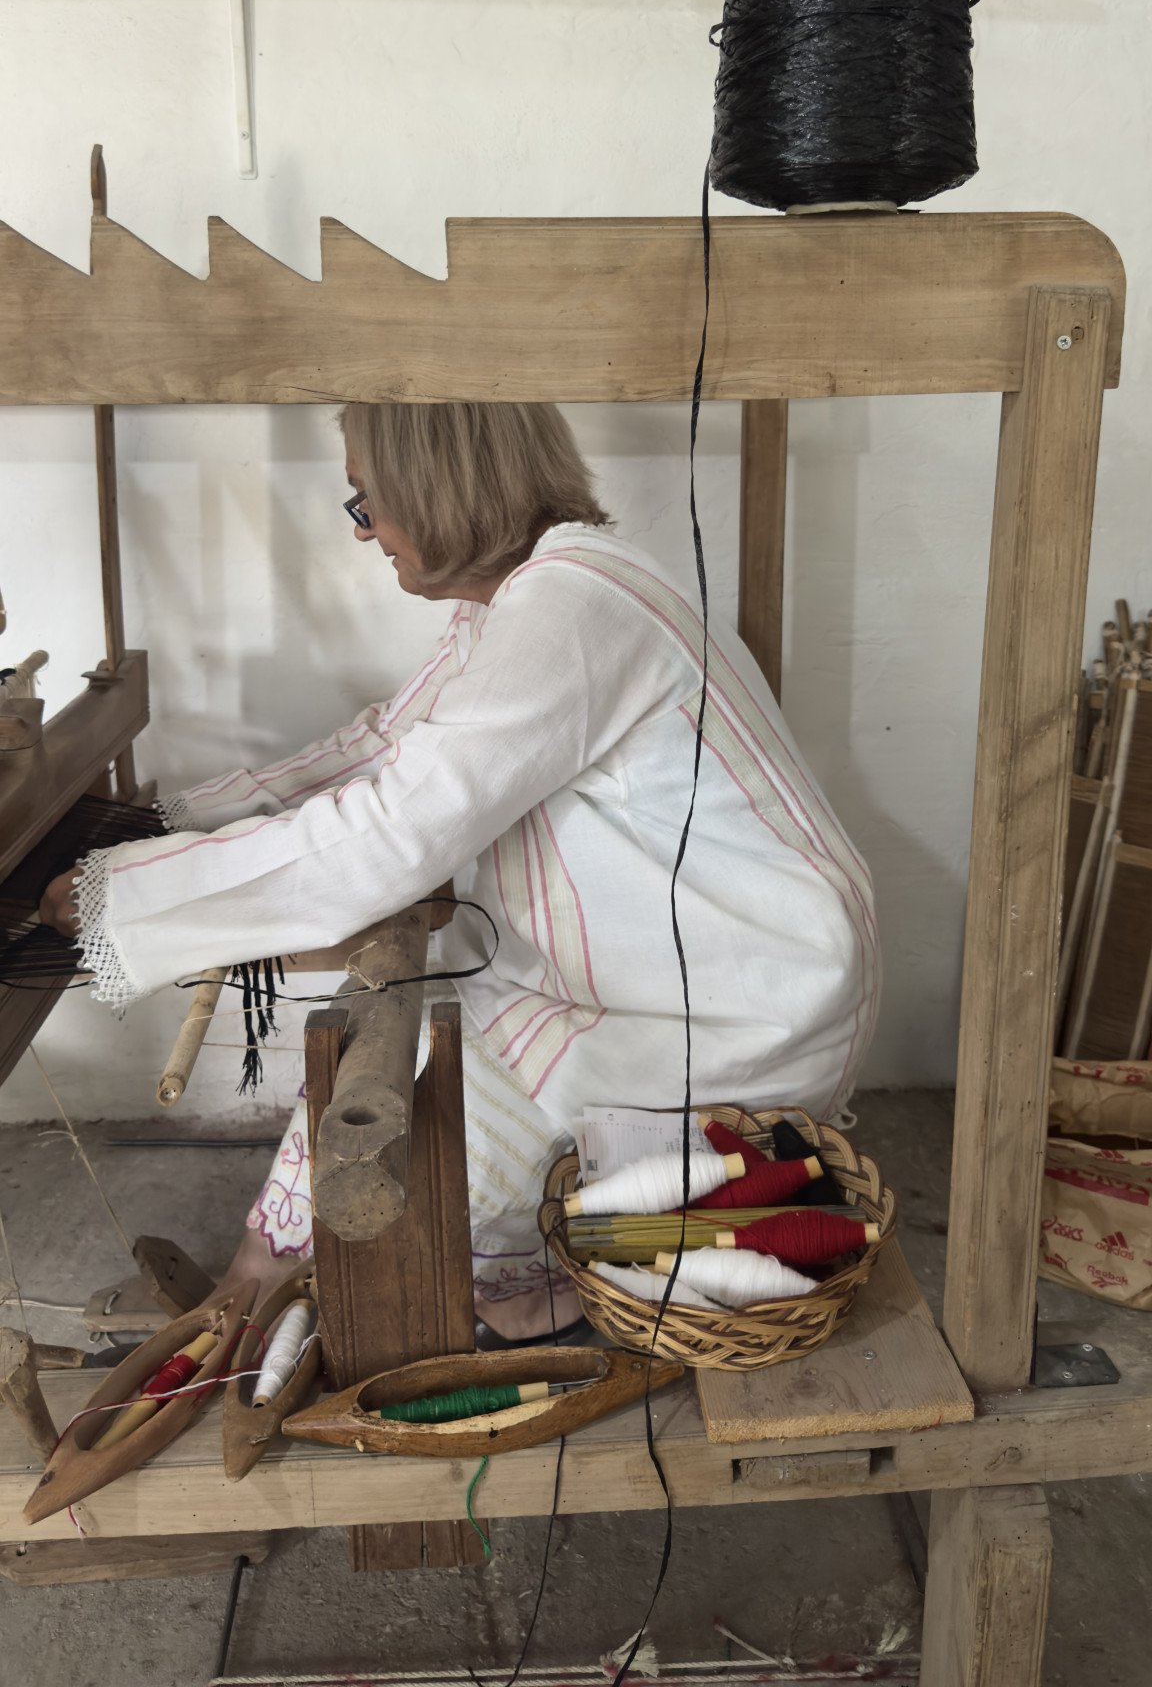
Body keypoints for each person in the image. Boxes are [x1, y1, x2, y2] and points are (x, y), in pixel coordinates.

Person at [42, 403, 878, 1339]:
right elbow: (385, 745)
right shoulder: (520, 600)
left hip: (733, 1012)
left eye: (366, 501)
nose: (365, 533)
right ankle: (263, 1283)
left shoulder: (572, 608)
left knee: (426, 1156)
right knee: (379, 1078)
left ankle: (477, 1280)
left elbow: (392, 831)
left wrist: (128, 893)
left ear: (436, 490)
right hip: (628, 985)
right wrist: (173, 822)